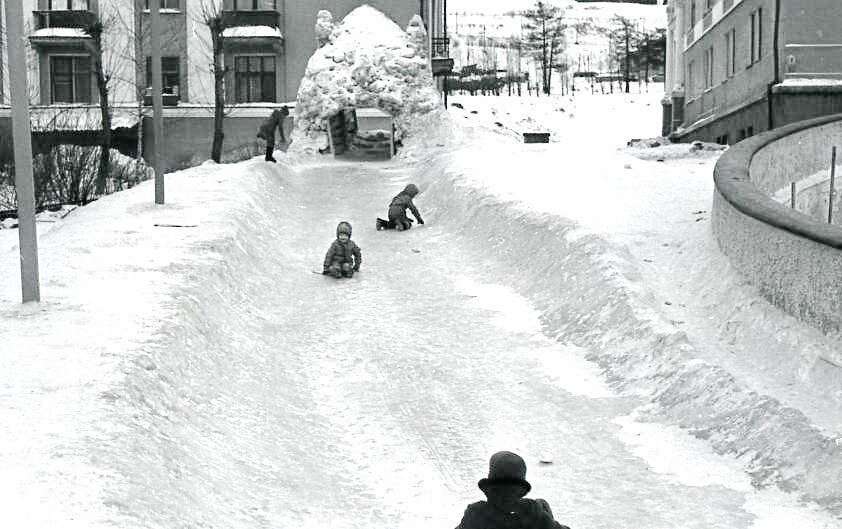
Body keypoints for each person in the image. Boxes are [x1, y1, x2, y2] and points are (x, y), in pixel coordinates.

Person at [455, 451, 571, 529]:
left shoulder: (476, 513)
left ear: (490, 489)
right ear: (520, 492)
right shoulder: (532, 512)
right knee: (542, 505)